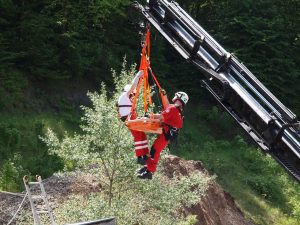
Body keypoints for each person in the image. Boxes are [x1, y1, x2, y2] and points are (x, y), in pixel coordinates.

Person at [137, 91, 189, 179]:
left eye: (175, 96)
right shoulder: (178, 111)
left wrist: (150, 116)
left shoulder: (173, 108)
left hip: (166, 134)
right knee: (154, 149)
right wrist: (163, 96)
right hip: (168, 134)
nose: (174, 97)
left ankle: (149, 171)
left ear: (178, 98)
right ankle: (148, 168)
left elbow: (161, 117)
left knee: (155, 150)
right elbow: (167, 111)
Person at [117, 70, 149, 165]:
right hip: (129, 118)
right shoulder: (125, 95)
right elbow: (133, 86)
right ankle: (140, 157)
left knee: (142, 134)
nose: (133, 96)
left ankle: (145, 155)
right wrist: (138, 76)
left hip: (130, 117)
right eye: (133, 94)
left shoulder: (125, 98)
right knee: (138, 135)